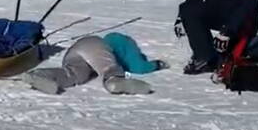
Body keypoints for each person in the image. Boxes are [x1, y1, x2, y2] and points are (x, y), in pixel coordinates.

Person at [22, 33, 168, 95]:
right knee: (109, 68)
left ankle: (42, 75)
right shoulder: (123, 42)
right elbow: (139, 67)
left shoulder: (112, 40)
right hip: (94, 44)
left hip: (74, 53)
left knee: (75, 75)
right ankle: (113, 81)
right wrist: (157, 64)